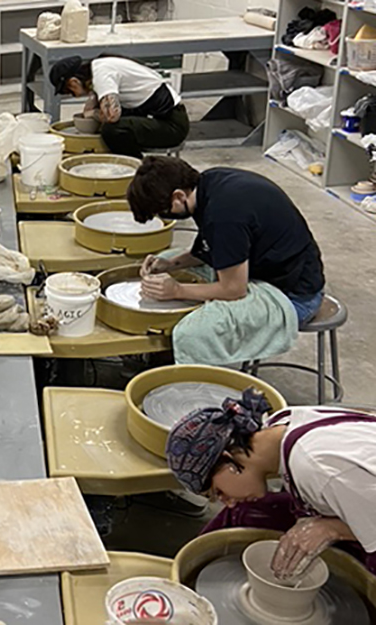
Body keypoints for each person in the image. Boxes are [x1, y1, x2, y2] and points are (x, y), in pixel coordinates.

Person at [127, 156, 325, 365]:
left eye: (163, 211)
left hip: (292, 294)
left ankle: (184, 379)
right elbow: (212, 246)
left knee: (192, 332)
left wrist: (176, 291)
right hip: (264, 265)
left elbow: (233, 290)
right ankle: (161, 353)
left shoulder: (224, 216)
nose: (166, 216)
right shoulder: (208, 183)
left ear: (178, 195)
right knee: (165, 261)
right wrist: (171, 264)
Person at [166, 389, 376, 578]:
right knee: (242, 515)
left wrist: (332, 529)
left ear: (227, 458)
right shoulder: (277, 426)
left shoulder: (316, 468)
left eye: (218, 492)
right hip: (360, 495)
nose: (227, 502)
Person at [48, 55, 189, 158]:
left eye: (69, 91)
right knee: (114, 125)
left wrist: (92, 114)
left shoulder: (101, 75)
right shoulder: (99, 66)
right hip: (156, 114)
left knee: (112, 130)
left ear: (73, 82)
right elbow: (98, 97)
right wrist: (93, 103)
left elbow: (112, 116)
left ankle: (139, 169)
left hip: (172, 125)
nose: (73, 96)